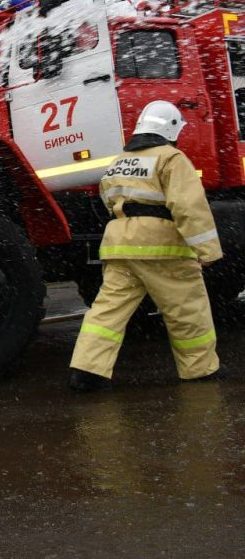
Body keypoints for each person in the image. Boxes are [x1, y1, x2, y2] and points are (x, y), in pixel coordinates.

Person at [69, 100, 224, 392]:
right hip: (163, 246)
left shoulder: (118, 161)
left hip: (119, 243)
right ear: (172, 128)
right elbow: (189, 207)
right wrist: (209, 251)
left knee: (107, 311)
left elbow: (107, 199)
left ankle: (86, 370)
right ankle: (199, 369)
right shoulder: (171, 158)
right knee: (187, 308)